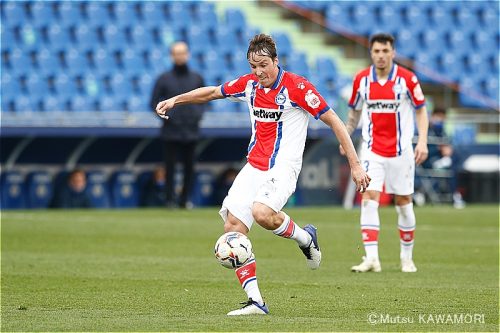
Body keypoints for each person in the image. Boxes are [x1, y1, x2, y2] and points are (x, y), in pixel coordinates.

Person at [156, 34, 371, 316]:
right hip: (254, 166)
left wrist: (355, 165)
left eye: (263, 65)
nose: (258, 72)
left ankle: (305, 239)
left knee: (262, 213)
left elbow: (335, 121)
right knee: (233, 227)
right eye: (252, 66)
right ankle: (256, 301)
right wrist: (175, 100)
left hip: (284, 166)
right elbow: (211, 92)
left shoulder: (298, 87)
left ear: (276, 61)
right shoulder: (249, 85)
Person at [341, 33, 429, 273]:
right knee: (369, 198)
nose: (380, 55)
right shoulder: (361, 79)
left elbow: (421, 111)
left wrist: (422, 141)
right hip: (371, 150)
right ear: (371, 53)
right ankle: (371, 259)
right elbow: (354, 113)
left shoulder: (407, 79)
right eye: (376, 51)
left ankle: (406, 258)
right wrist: (346, 135)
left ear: (393, 53)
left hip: (401, 152)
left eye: (385, 51)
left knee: (403, 202)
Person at [150, 41, 205, 208]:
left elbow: (206, 99)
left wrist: (196, 116)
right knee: (170, 167)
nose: (180, 56)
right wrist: (168, 118)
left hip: (191, 130)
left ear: (187, 54)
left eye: (182, 53)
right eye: (176, 53)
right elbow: (153, 102)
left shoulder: (196, 77)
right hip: (171, 131)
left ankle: (184, 199)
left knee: (190, 167)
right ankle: (169, 200)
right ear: (172, 56)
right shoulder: (163, 78)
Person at [423, 107, 465, 208]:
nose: (440, 120)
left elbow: (447, 142)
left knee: (453, 164)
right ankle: (455, 195)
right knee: (450, 167)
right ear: (433, 116)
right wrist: (439, 149)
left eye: (443, 118)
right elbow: (424, 147)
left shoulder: (441, 129)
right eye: (439, 117)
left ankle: (455, 195)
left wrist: (447, 149)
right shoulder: (426, 129)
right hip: (429, 159)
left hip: (441, 159)